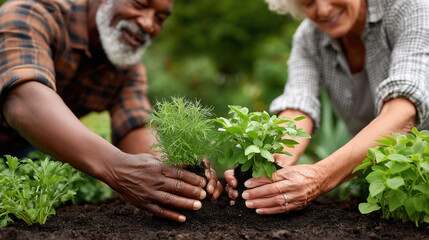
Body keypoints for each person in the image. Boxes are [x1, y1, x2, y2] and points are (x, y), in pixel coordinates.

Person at [0, 0, 222, 222]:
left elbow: (134, 125)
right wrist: (116, 167)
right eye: (139, 4)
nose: (147, 24)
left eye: (160, 18)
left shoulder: (126, 64)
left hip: (20, 147)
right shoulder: (33, 13)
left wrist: (176, 171)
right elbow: (23, 100)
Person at [225, 0, 429, 214]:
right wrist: (269, 164)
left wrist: (319, 177)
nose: (323, 10)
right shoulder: (309, 38)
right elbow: (299, 106)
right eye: (308, 2)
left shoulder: (411, 8)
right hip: (386, 181)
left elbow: (402, 112)